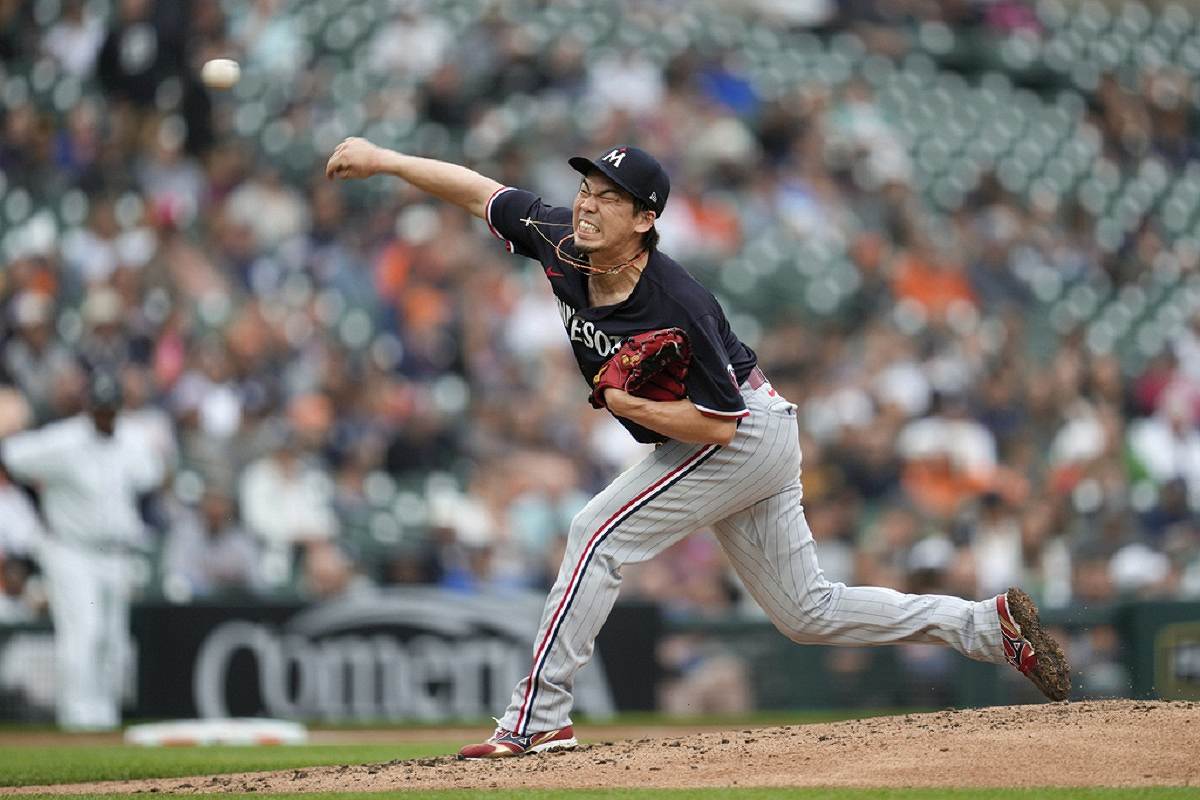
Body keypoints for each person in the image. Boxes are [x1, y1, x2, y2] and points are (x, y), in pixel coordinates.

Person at [325, 138, 1071, 758]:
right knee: (806, 612)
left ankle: (536, 719)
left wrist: (628, 403)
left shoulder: (678, 304)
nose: (587, 201)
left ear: (646, 219)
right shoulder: (555, 233)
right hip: (743, 433)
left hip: (742, 430)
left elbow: (721, 425)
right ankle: (985, 625)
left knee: (595, 534)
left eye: (609, 196)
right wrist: (386, 159)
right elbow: (476, 190)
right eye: (587, 186)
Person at [0, 370, 164, 730]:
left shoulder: (132, 439)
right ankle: (77, 720)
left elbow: (151, 476)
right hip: (71, 551)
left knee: (112, 639)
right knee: (83, 633)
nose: (105, 415)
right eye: (99, 408)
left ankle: (104, 718)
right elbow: (11, 455)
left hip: (115, 553)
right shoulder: (63, 439)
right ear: (88, 407)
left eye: (111, 408)